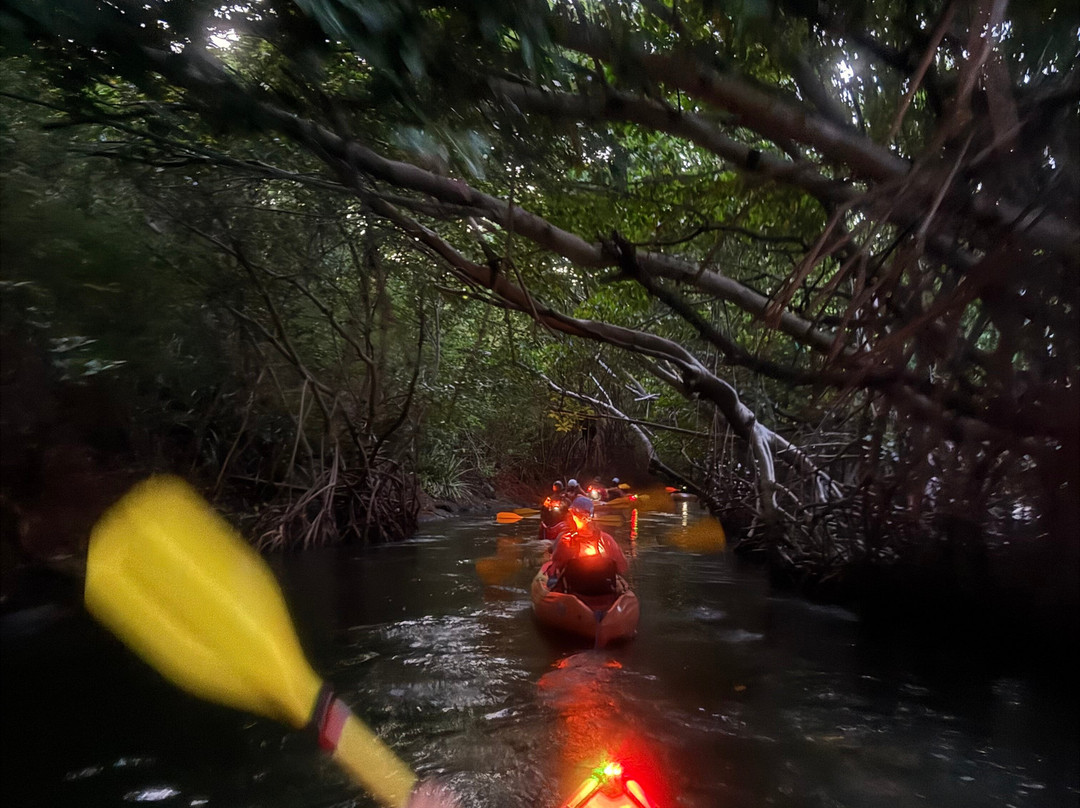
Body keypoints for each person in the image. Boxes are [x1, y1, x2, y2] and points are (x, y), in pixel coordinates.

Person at [548, 496, 629, 595]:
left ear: (573, 514)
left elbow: (555, 567)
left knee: (553, 580)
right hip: (603, 591)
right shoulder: (607, 539)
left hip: (575, 592)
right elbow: (622, 567)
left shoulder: (566, 540)